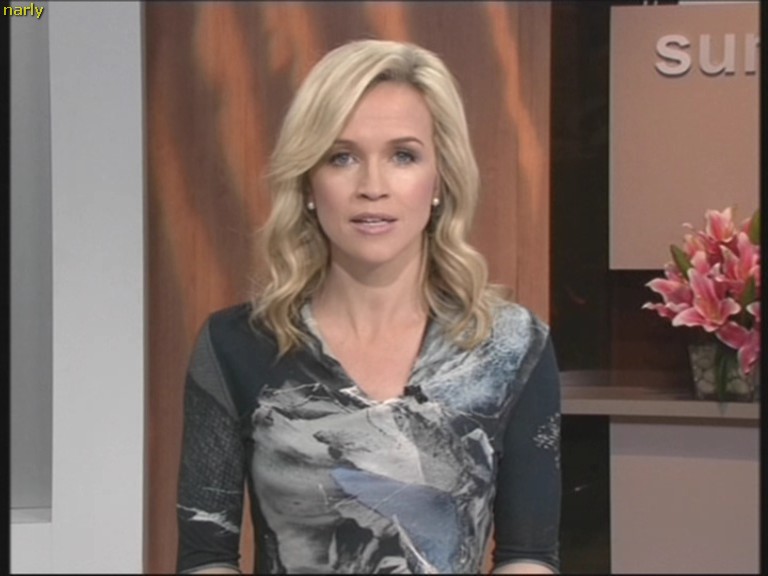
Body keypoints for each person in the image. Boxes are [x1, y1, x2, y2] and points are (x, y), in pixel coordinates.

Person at [176, 39, 561, 575]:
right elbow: (207, 557)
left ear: (439, 179)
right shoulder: (235, 346)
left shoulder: (510, 347)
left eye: (403, 156)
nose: (372, 186)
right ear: (309, 183)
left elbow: (528, 556)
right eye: (342, 157)